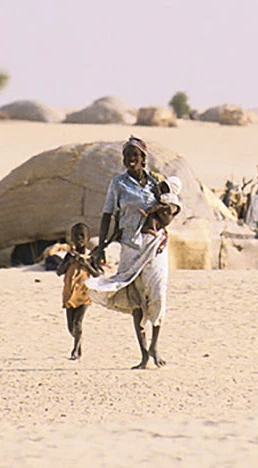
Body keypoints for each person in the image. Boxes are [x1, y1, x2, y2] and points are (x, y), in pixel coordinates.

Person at [87, 136, 178, 369]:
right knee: (136, 298)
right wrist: (102, 245)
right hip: (130, 245)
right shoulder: (117, 184)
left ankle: (156, 346)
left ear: (143, 158)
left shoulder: (156, 183)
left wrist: (159, 213)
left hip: (155, 245)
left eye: (135, 156)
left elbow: (172, 206)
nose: (131, 160)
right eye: (128, 156)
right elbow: (108, 214)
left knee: (158, 293)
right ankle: (144, 353)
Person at [56, 223, 103, 360]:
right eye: (76, 236)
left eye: (82, 235)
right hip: (70, 293)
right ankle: (79, 344)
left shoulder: (91, 256)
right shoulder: (69, 255)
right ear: (71, 238)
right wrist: (68, 262)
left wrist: (86, 265)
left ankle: (75, 350)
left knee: (78, 323)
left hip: (84, 292)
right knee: (71, 327)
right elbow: (59, 272)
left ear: (88, 238)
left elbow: (98, 274)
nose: (79, 239)